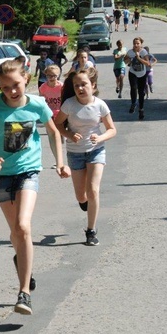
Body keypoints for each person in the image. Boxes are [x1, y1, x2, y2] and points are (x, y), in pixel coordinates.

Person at [0, 58, 70, 315]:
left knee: (23, 226)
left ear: (27, 80)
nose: (11, 91)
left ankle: (24, 293)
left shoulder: (37, 104)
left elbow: (54, 132)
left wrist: (60, 162)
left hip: (28, 171)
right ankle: (22, 260)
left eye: (16, 85)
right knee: (16, 233)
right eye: (5, 87)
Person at [55, 67, 117, 246]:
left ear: (93, 85)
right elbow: (57, 125)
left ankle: (91, 230)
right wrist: (69, 135)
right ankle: (85, 203)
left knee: (93, 190)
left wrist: (100, 137)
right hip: (75, 153)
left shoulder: (100, 105)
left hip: (96, 150)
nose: (80, 89)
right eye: (76, 86)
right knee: (81, 196)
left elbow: (112, 130)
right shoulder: (69, 105)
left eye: (84, 85)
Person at [125, 37, 150, 120]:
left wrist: (139, 58)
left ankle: (141, 109)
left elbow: (148, 64)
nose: (136, 45)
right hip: (133, 73)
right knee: (133, 88)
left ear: (141, 44)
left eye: (138, 43)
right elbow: (125, 61)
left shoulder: (143, 52)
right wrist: (129, 60)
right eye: (134, 43)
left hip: (142, 74)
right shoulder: (130, 52)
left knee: (141, 92)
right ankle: (133, 103)